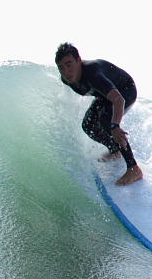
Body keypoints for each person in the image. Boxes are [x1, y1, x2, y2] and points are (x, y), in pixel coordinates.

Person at [55, 43, 143, 186]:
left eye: (69, 64)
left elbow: (119, 100)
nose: (66, 71)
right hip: (104, 95)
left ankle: (134, 168)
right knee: (88, 125)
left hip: (125, 89)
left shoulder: (93, 74)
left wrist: (115, 126)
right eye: (61, 67)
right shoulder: (66, 79)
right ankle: (115, 150)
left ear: (79, 60)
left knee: (107, 121)